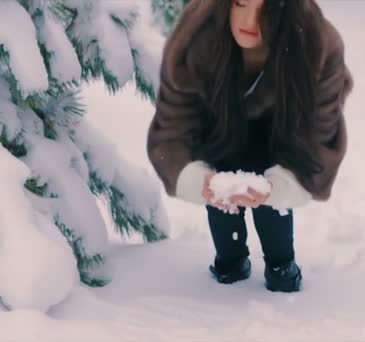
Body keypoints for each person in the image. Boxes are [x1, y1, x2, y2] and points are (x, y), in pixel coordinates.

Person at [146, 0, 353, 292]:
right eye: (241, 3)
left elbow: (320, 134)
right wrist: (198, 178)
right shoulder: (194, 39)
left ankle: (281, 263)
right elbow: (172, 128)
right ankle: (230, 259)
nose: (249, 21)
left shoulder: (317, 45)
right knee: (221, 198)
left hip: (281, 138)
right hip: (219, 133)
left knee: (271, 205)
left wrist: (279, 186)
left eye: (265, 10)